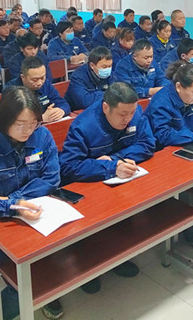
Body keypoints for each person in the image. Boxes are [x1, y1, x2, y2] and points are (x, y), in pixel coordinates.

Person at [0, 86, 63, 320]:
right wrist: (13, 207)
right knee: (24, 280)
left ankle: (41, 287)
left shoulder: (42, 136)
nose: (28, 130)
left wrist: (11, 199)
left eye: (33, 123)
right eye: (20, 124)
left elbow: (51, 178)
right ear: (4, 120)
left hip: (38, 214)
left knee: (71, 254)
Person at [58, 82, 155, 294]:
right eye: (122, 114)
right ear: (105, 107)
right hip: (89, 184)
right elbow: (69, 166)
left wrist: (115, 160)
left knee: (125, 218)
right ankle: (87, 268)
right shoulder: (84, 125)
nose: (128, 119)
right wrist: (110, 168)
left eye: (131, 113)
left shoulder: (135, 112)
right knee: (92, 230)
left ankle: (117, 258)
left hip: (121, 180)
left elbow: (148, 144)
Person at [10, 56, 70, 122]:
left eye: (42, 78)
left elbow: (63, 103)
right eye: (34, 80)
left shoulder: (46, 84)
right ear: (23, 77)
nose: (39, 83)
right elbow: (12, 120)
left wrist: (61, 111)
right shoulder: (11, 91)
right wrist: (41, 118)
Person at [65, 46, 114, 111]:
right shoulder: (78, 76)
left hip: (102, 107)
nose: (108, 69)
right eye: (104, 67)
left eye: (110, 66)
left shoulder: (110, 73)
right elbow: (84, 101)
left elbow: (118, 92)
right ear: (92, 65)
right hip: (80, 111)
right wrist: (107, 94)